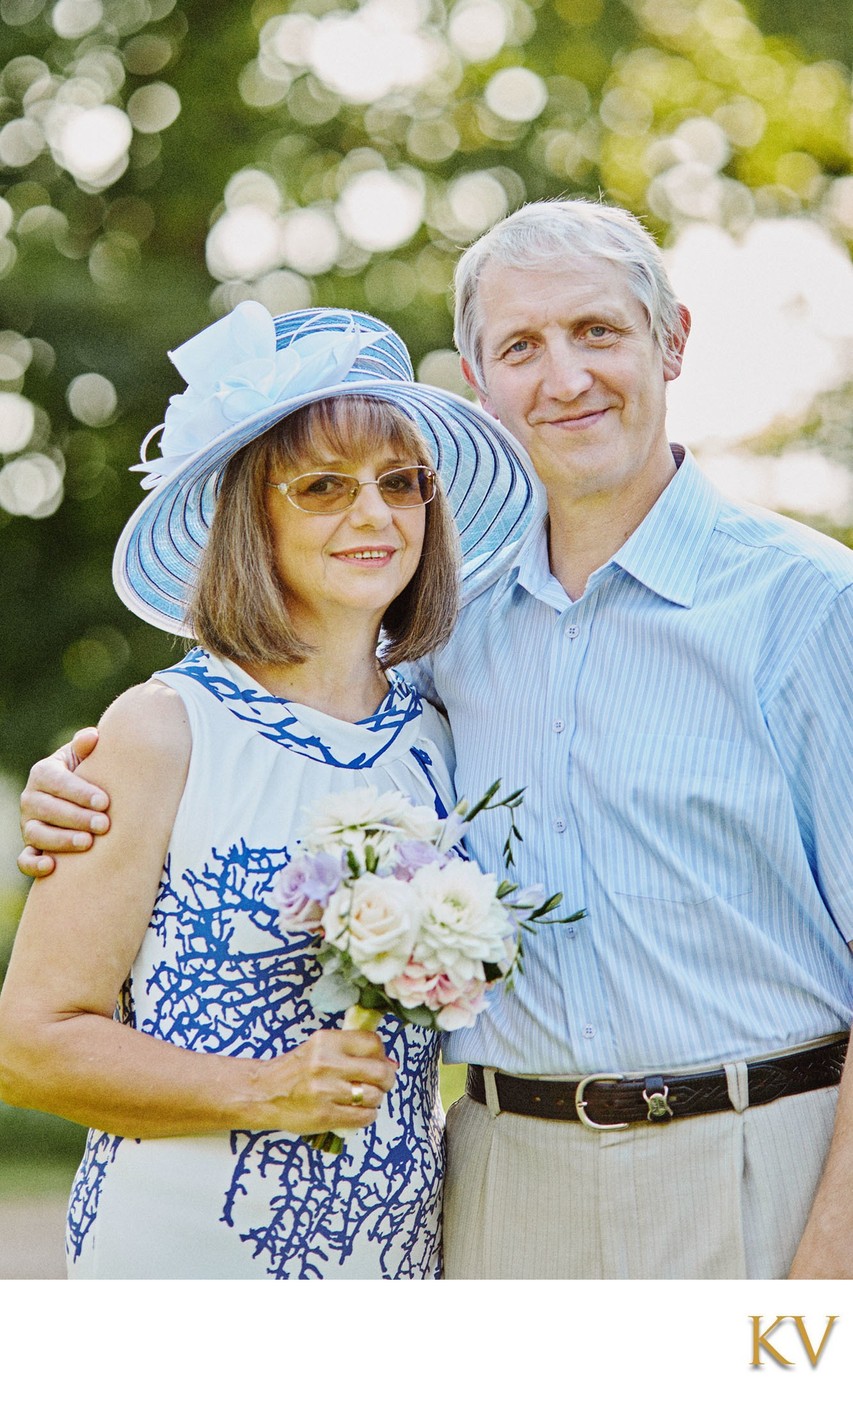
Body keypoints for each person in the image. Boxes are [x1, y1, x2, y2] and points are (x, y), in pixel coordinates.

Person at [16, 200, 853, 1280]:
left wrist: (827, 1285)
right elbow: (274, 724)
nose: (564, 378)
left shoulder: (813, 608)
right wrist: (85, 773)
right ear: (477, 383)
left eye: (598, 331)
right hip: (499, 1185)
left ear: (672, 340)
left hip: (752, 1170)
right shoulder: (443, 640)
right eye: (521, 347)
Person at [0, 300, 536, 1279]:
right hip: (185, 1261)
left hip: (393, 1272)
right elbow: (30, 1044)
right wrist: (267, 1089)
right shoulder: (161, 731)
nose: (374, 515)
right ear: (252, 511)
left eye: (398, 482)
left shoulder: (439, 733)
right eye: (323, 486)